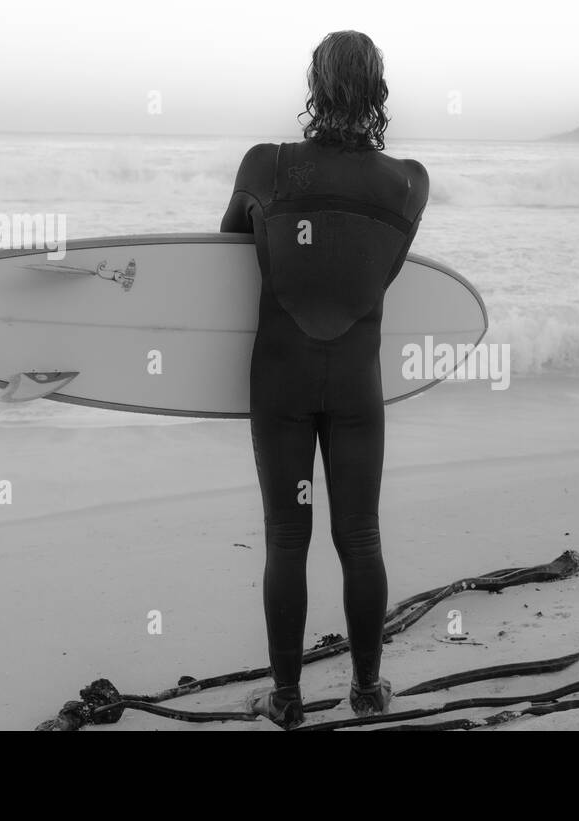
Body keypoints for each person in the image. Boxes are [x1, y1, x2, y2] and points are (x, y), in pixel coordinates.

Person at [220, 30, 430, 729]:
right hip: (354, 388)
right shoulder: (408, 184)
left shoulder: (266, 166)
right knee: (361, 536)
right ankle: (367, 689)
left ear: (315, 84)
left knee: (286, 535)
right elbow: (378, 265)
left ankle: (285, 698)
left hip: (279, 381)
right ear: (378, 89)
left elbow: (223, 257)